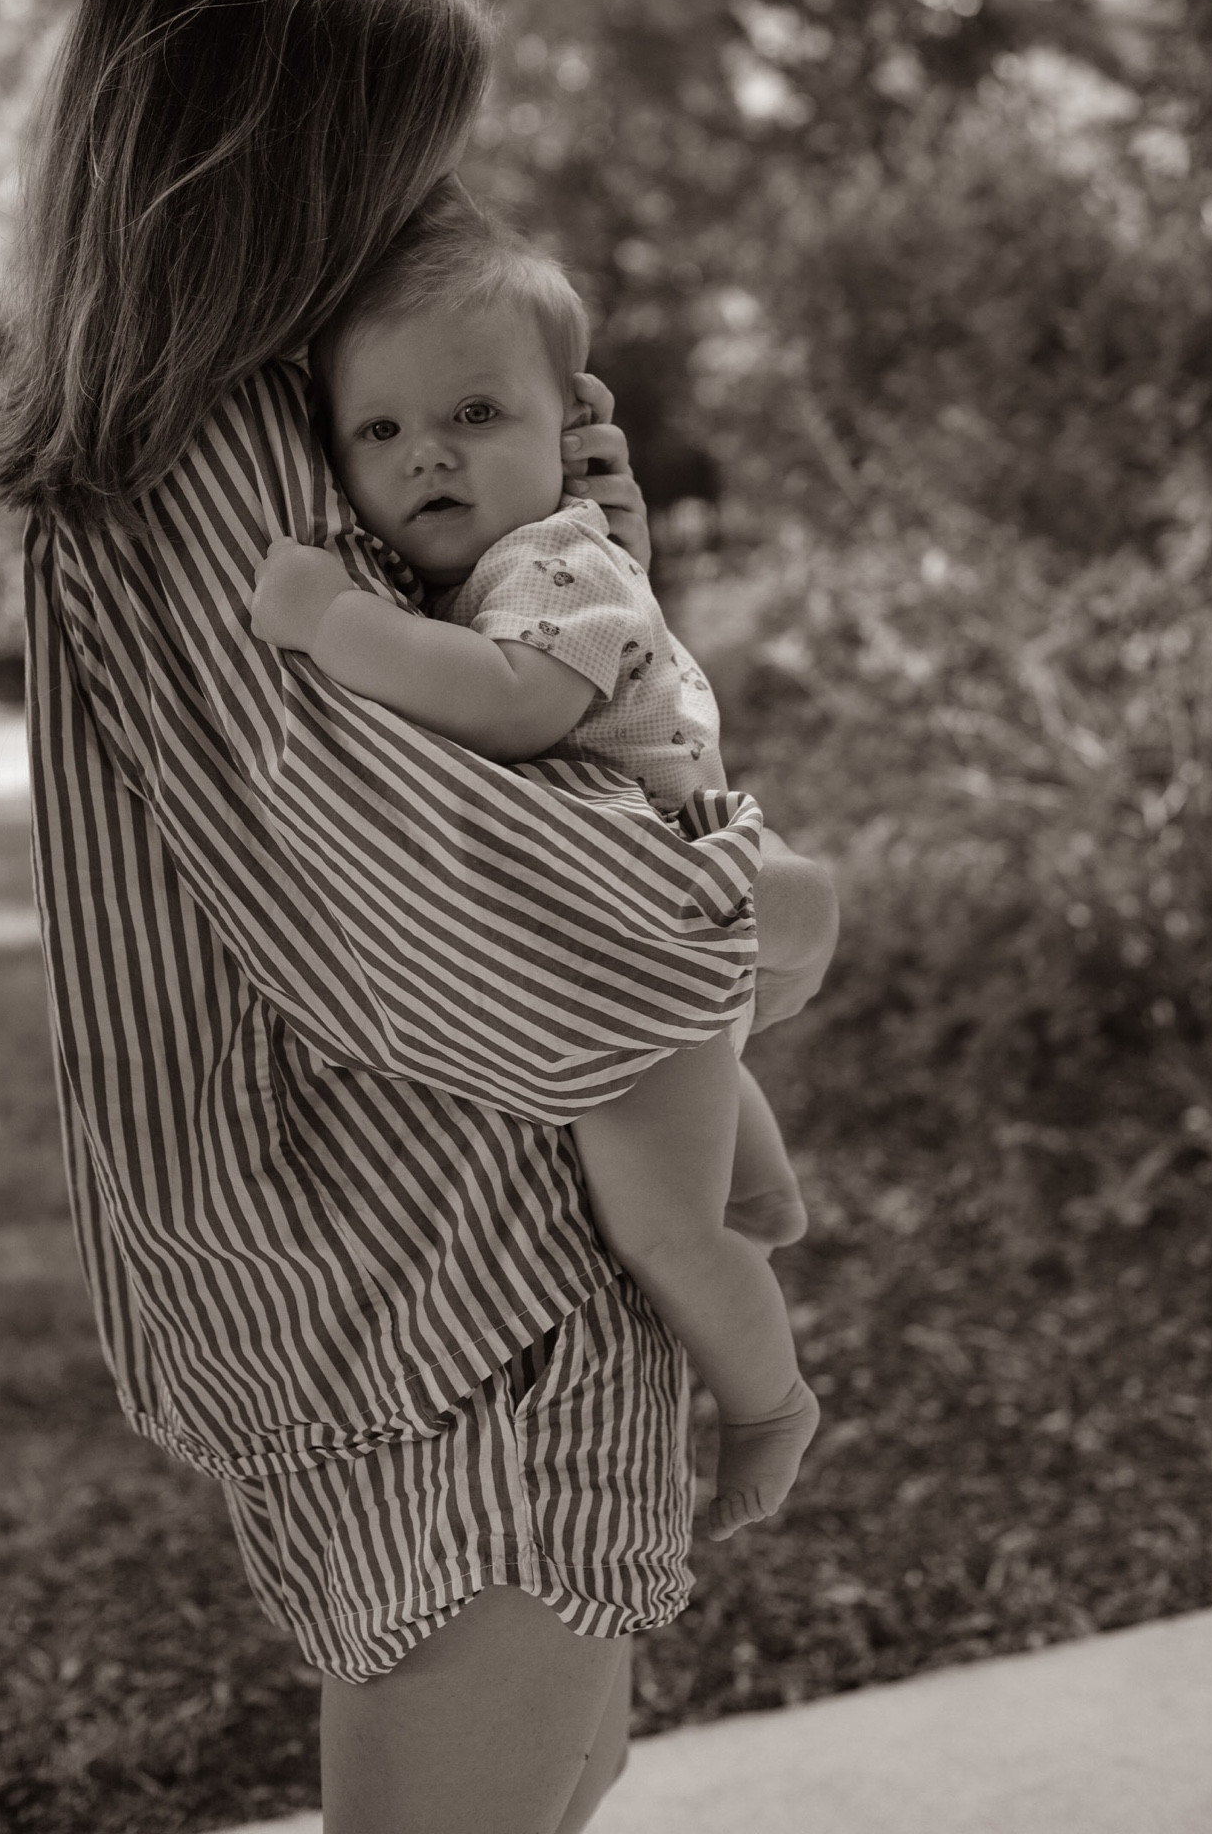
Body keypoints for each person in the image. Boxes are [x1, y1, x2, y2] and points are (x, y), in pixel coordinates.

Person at [0, 0, 836, 1834]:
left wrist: (580, 566)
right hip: (441, 1259)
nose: (432, 196)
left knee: (559, 1755)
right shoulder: (215, 469)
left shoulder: (262, 433)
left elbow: (514, 728)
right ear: (275, 166)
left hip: (399, 1238)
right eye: (401, 152)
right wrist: (755, 905)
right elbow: (412, 874)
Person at [251, 184, 832, 1543]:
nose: (426, 456)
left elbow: (516, 707)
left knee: (661, 1230)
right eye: (379, 431)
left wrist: (333, 621)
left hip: (643, 927)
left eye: (475, 415)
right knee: (699, 1130)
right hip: (646, 919)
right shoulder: (497, 571)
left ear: (567, 431)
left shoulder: (560, 562)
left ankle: (770, 1402)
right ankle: (759, 1184)